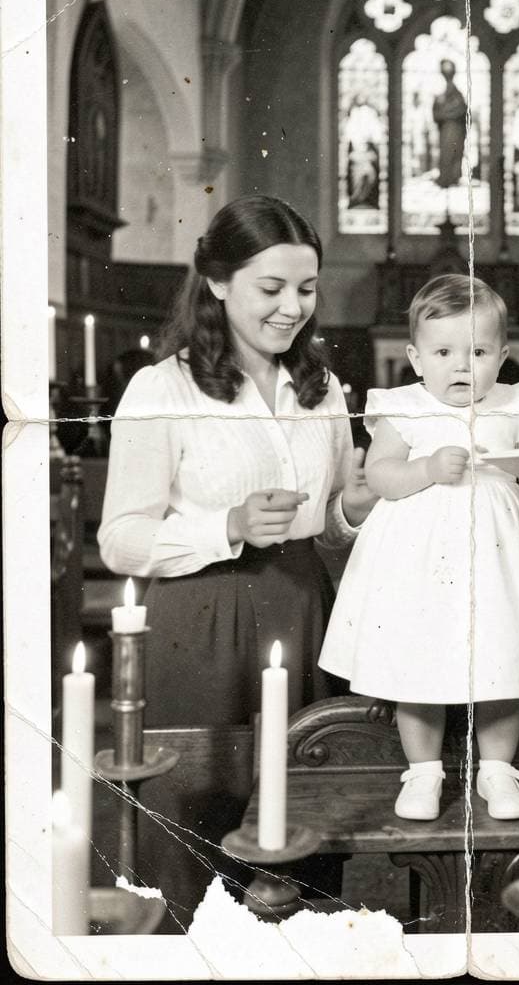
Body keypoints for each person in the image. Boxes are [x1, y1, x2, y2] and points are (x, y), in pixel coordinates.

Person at [320, 275, 519, 822]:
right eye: (444, 352)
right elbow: (381, 476)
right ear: (416, 358)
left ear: (503, 355)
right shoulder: (403, 407)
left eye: (479, 351)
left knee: (503, 662)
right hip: (419, 564)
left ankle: (497, 770)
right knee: (417, 671)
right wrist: (423, 467)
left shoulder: (512, 404)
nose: (463, 366)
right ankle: (423, 773)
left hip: (500, 556)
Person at [99, 195, 377, 728]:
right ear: (219, 282)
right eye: (271, 289)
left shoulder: (323, 391)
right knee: (201, 798)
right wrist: (230, 524)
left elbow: (329, 529)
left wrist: (354, 511)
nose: (293, 308)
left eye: (306, 289)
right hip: (200, 619)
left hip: (306, 608)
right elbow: (119, 539)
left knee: (309, 796)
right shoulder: (163, 388)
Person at [432, 59, 467, 188]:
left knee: (454, 151)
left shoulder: (457, 91)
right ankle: (446, 178)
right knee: (446, 152)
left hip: (455, 128)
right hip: (446, 128)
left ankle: (452, 177)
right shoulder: (440, 91)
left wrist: (445, 113)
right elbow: (437, 111)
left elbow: (462, 110)